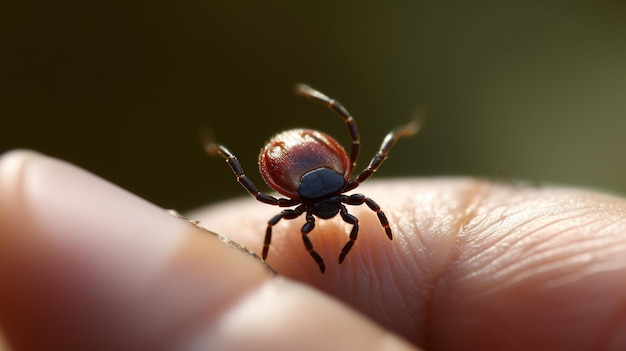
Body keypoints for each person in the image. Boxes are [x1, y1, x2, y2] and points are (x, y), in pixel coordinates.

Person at [0, 150, 625, 351]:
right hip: (310, 156)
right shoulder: (343, 192)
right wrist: (337, 249)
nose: (331, 217)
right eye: (331, 214)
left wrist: (339, 252)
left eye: (334, 215)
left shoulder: (307, 206)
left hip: (290, 158)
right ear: (336, 192)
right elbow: (355, 210)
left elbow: (295, 217)